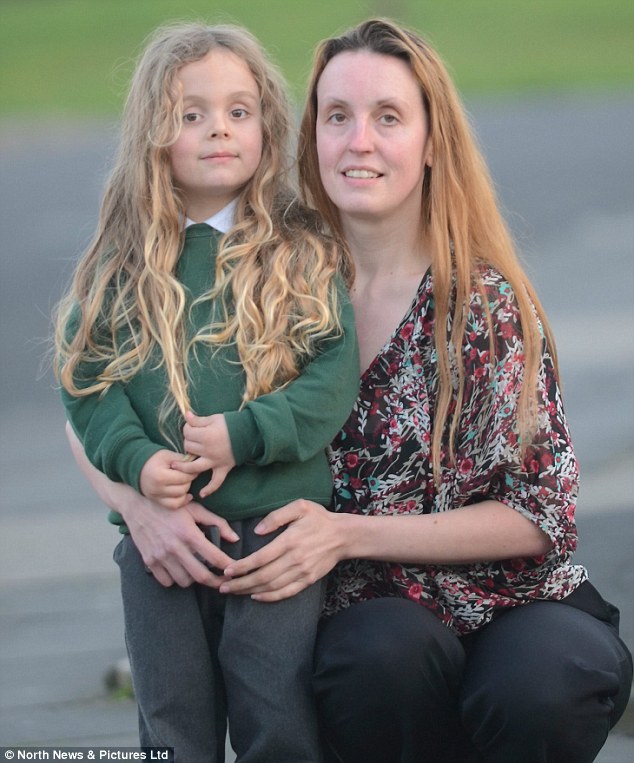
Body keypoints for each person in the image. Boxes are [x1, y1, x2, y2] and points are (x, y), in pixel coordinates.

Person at [65, 17, 633, 763]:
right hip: (363, 616)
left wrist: (347, 533)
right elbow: (94, 401)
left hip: (503, 600)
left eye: (387, 117)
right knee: (372, 658)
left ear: (432, 143)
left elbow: (539, 512)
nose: (359, 140)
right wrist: (141, 507)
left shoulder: (484, 305)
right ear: (310, 137)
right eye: (338, 116)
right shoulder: (274, 270)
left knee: (545, 681)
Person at [55, 21, 358, 763]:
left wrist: (246, 432)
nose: (217, 130)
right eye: (191, 114)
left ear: (266, 124)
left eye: (237, 111)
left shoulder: (301, 250)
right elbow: (88, 385)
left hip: (275, 529)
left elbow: (332, 377)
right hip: (163, 540)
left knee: (274, 708)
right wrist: (134, 464)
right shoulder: (121, 263)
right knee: (171, 718)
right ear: (154, 132)